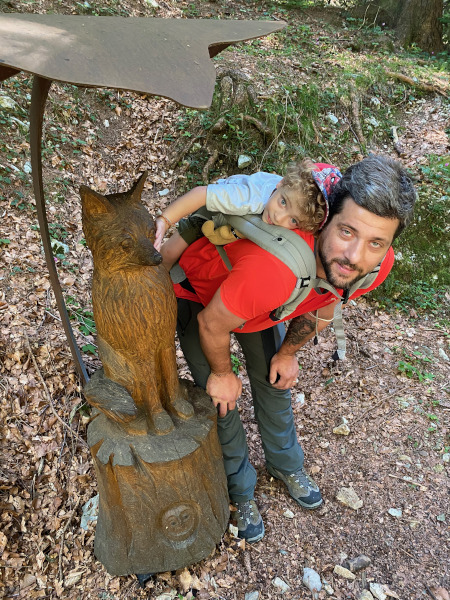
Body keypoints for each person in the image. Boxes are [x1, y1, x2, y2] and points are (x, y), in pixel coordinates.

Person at [168, 154, 416, 544]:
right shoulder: (273, 272)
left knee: (274, 380)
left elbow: (330, 297)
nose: (355, 257)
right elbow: (211, 325)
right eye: (347, 232)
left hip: (261, 306)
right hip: (203, 298)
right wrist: (221, 373)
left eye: (375, 243)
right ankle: (240, 486)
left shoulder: (373, 265)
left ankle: (285, 464)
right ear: (325, 220)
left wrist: (288, 354)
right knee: (222, 399)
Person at [154, 159, 342, 269]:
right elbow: (201, 194)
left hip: (242, 224)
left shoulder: (291, 194)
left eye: (293, 220)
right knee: (169, 251)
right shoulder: (248, 198)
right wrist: (165, 220)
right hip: (215, 211)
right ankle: (157, 284)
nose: (278, 217)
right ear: (281, 184)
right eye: (283, 202)